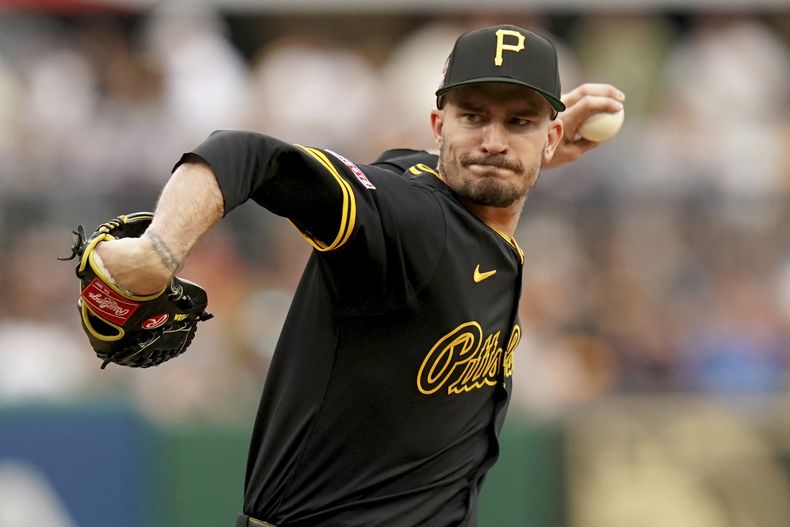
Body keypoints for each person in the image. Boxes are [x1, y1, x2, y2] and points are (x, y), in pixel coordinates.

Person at [94, 24, 624, 527]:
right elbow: (249, 154)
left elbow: (480, 185)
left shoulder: (465, 213)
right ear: (439, 125)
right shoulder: (407, 220)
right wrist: (158, 251)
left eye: (519, 122)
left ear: (552, 136)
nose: (493, 140)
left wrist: (528, 163)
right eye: (473, 116)